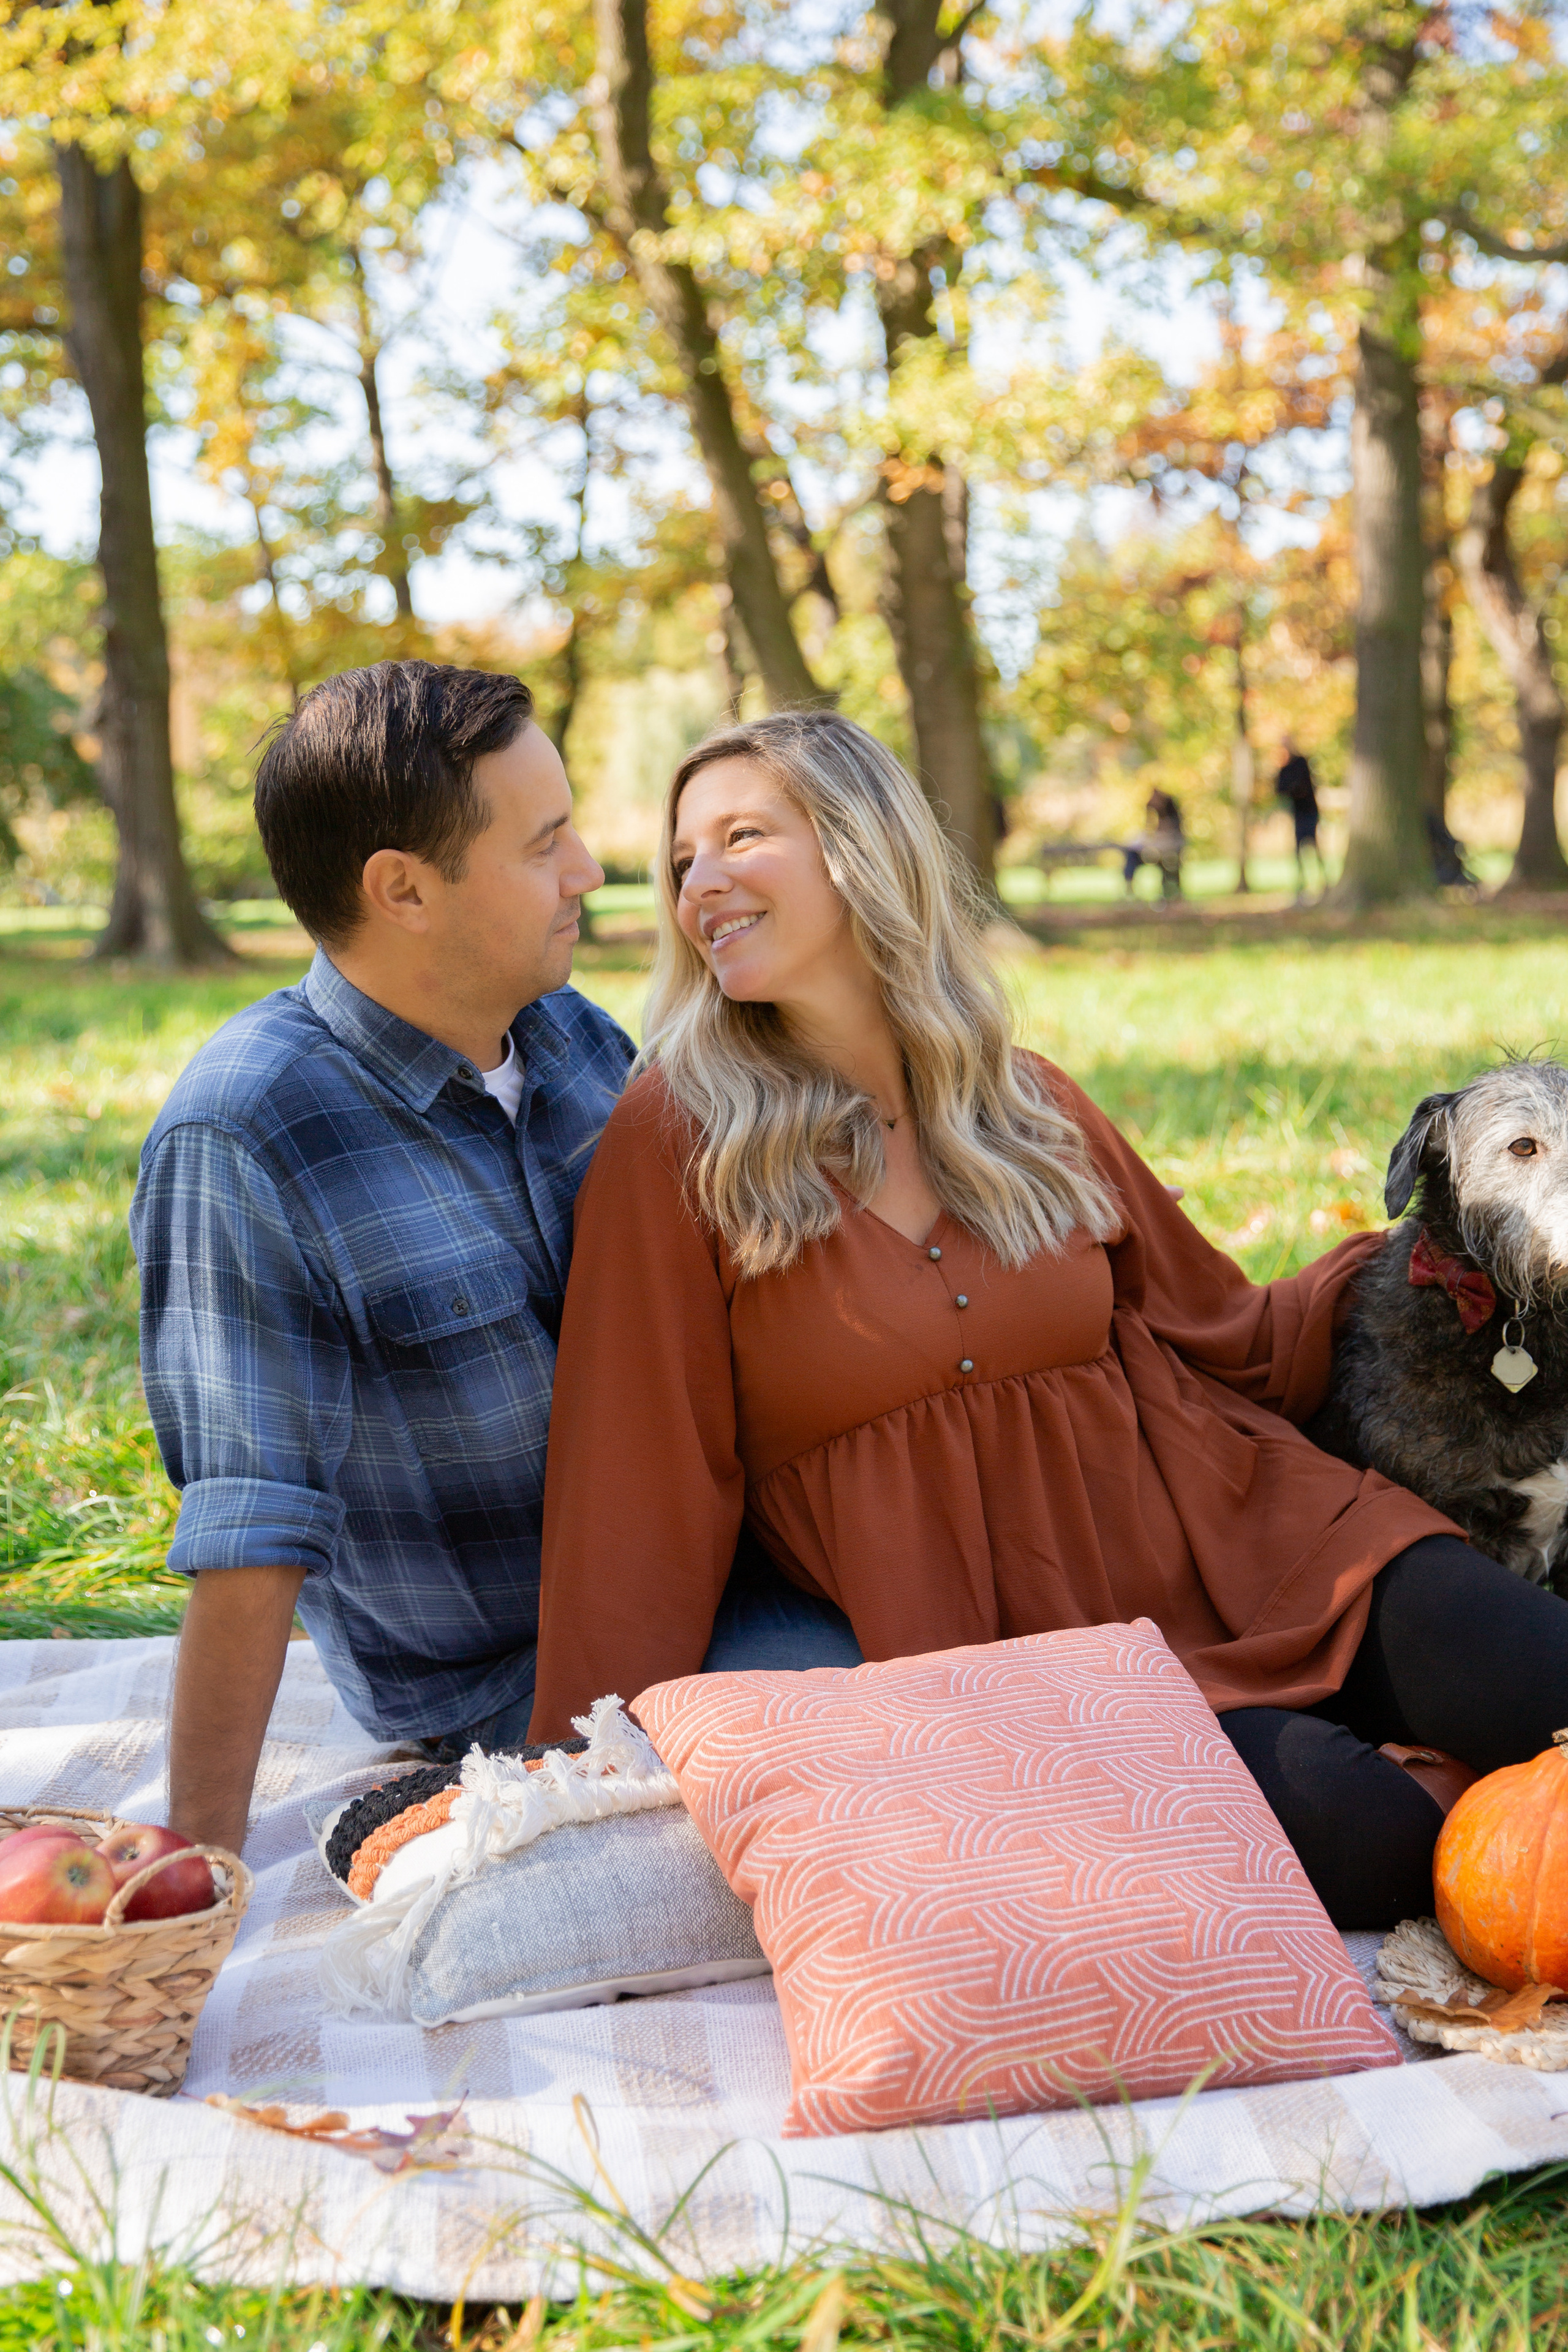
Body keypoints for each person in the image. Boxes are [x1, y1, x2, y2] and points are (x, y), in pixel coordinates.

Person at [529, 709, 1568, 1929]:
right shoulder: (677, 1145)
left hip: (1255, 1541)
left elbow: (1223, 1329)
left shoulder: (1020, 1101)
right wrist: (574, 1778)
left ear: (861, 848)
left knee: (1536, 1677)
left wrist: (1432, 1258)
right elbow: (640, 1482)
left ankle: (1440, 1738)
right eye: (679, 859)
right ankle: (1418, 1773)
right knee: (1378, 1849)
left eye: (740, 836)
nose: (699, 883)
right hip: (1048, 1677)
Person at [130, 660, 636, 1859]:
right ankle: (446, 1828)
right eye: (543, 845)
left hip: (693, 1592)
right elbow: (252, 1520)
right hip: (503, 1686)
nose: (589, 873)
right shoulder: (248, 1130)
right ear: (403, 890)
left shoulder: (578, 1042)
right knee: (882, 1732)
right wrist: (196, 1860)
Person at [1276, 741, 1324, 902]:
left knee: (1314, 847)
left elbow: (1305, 787)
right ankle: (1301, 886)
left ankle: (1323, 883)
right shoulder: (1284, 768)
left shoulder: (1300, 763)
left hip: (1309, 812)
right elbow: (1280, 789)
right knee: (1299, 851)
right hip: (1297, 815)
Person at [1141, 788, 1184, 902]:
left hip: (1173, 845)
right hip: (1161, 846)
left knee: (1171, 865)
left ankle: (1175, 893)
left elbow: (1173, 828)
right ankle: (1166, 892)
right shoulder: (1153, 808)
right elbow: (1149, 826)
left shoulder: (1170, 807)